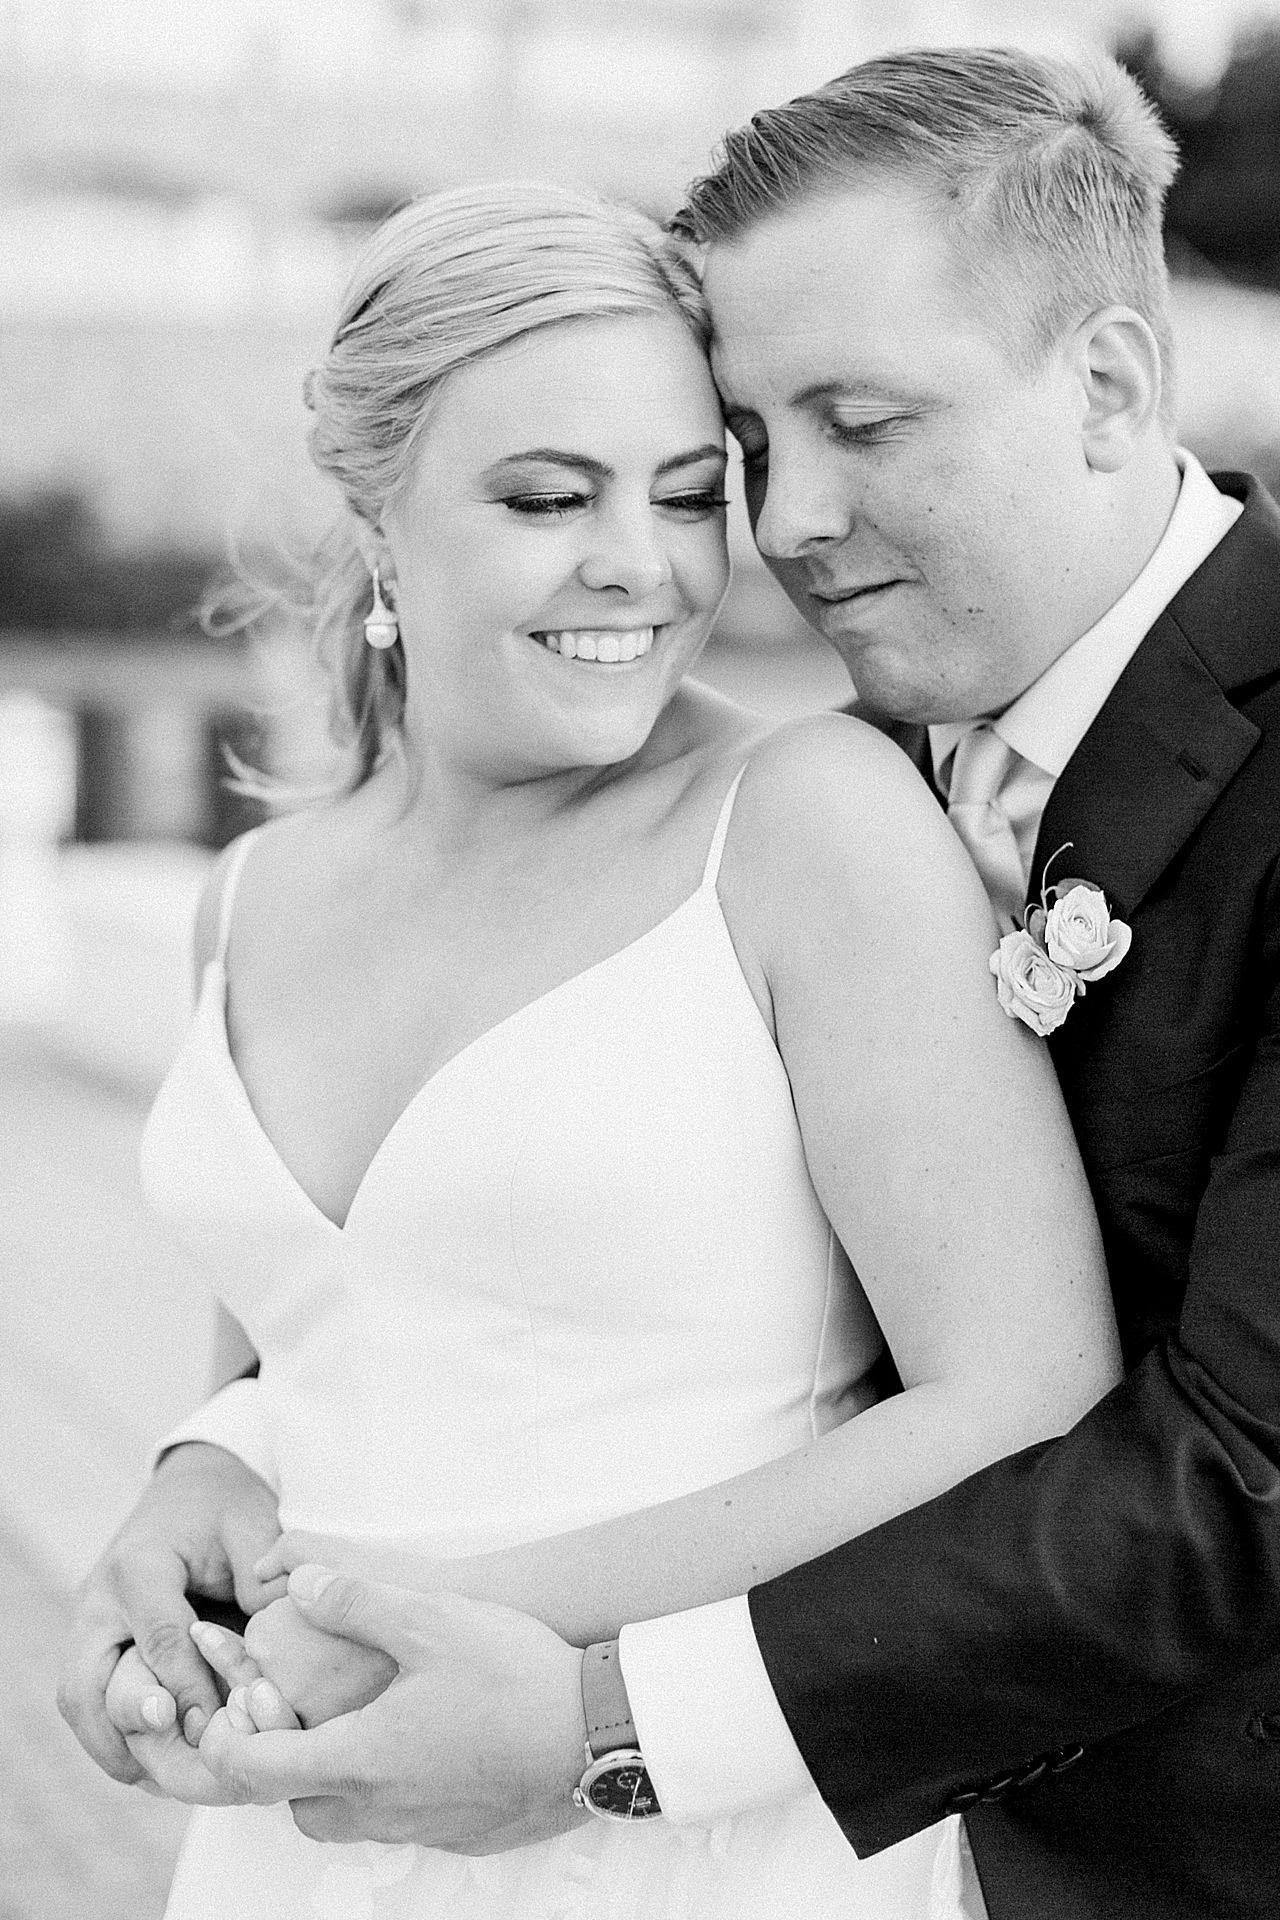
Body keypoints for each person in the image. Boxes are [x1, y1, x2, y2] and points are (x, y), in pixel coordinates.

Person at [69, 44, 1280, 1920]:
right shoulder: (271, 890)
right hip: (325, 1808)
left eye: (836, 433)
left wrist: (541, 1693)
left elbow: (1144, 1438)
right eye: (763, 453)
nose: (770, 535)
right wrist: (189, 1488)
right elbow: (343, 1312)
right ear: (376, 517)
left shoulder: (816, 808)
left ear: (1115, 384)